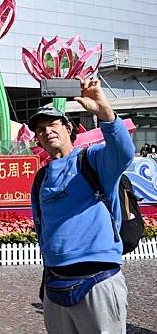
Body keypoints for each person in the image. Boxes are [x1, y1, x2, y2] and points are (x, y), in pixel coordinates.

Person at [29, 78, 134, 334]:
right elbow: (42, 228)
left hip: (97, 280)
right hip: (55, 283)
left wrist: (104, 112)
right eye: (40, 129)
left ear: (68, 128)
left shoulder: (92, 159)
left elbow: (123, 151)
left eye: (53, 124)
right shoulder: (40, 178)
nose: (47, 131)